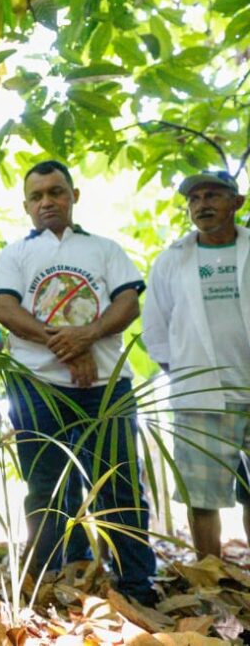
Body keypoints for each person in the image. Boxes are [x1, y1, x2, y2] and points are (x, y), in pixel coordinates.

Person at [0, 159, 156, 604]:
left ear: (74, 196)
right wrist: (68, 344)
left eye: (57, 192)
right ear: (26, 205)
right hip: (37, 387)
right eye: (38, 195)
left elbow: (127, 304)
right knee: (47, 488)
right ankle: (47, 582)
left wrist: (89, 335)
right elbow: (5, 309)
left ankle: (137, 585)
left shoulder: (104, 248)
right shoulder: (15, 254)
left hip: (106, 388)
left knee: (119, 484)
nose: (48, 202)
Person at [143, 170, 250, 558]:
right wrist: (186, 376)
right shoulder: (171, 261)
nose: (202, 204)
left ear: (236, 202)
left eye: (213, 196)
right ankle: (211, 581)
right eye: (195, 199)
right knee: (202, 498)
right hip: (199, 398)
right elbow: (155, 328)